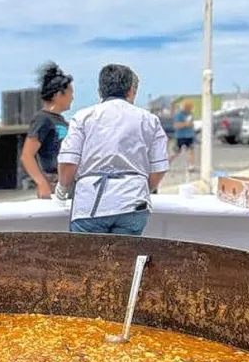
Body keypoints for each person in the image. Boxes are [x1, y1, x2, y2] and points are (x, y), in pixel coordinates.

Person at [57, 64, 169, 236]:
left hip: (91, 205)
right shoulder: (149, 120)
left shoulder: (83, 117)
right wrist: (140, 188)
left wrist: (63, 189)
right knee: (125, 254)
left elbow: (68, 163)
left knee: (86, 254)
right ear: (131, 91)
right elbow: (159, 168)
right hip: (133, 203)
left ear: (100, 91)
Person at [20, 62, 74, 198]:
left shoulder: (61, 121)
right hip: (53, 182)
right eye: (70, 92)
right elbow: (27, 155)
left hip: (66, 180)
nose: (72, 97)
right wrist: (41, 183)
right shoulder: (42, 119)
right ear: (58, 94)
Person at [171, 100, 197, 173]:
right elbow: (176, 125)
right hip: (180, 136)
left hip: (190, 135)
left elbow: (191, 124)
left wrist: (191, 125)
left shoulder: (190, 114)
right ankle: (165, 164)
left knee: (191, 151)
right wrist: (186, 124)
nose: (190, 109)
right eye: (189, 107)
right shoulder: (179, 114)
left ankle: (191, 166)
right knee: (176, 152)